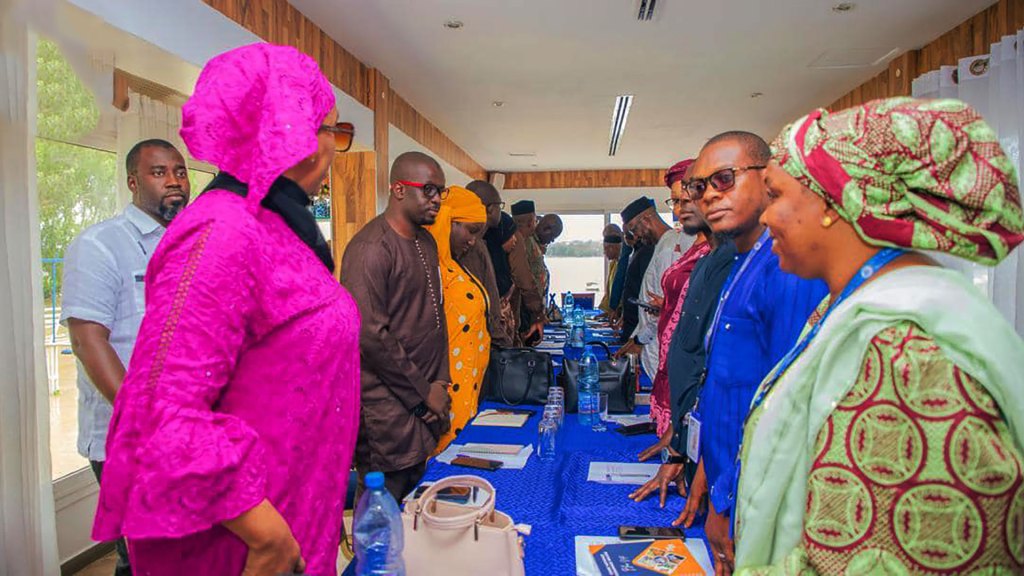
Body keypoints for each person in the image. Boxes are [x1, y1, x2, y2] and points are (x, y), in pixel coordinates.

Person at [92, 43, 360, 575]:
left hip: (298, 510)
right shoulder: (222, 231)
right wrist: (267, 539)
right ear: (297, 132)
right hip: (243, 541)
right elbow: (160, 412)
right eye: (336, 131)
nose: (336, 149)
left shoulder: (274, 224)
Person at [734, 98, 1024, 574]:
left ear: (834, 200)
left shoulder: (907, 354)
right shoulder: (854, 305)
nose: (765, 219)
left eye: (776, 196)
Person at [684, 131, 829, 574]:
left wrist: (726, 506)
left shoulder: (785, 267)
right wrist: (704, 477)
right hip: (725, 480)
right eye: (699, 186)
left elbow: (783, 410)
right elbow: (726, 385)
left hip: (757, 497)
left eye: (724, 179)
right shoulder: (742, 260)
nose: (709, 195)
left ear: (766, 179)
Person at [62, 138, 191, 576]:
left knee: (184, 551)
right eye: (159, 172)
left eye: (179, 171)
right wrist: (145, 418)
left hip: (185, 427)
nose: (173, 181)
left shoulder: (190, 244)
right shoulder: (99, 245)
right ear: (133, 182)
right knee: (140, 556)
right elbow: (87, 341)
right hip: (129, 435)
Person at [342, 151, 452, 502]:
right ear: (399, 190)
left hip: (425, 395)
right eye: (430, 190)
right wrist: (423, 395)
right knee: (383, 505)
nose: (437, 200)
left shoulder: (426, 241)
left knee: (418, 499)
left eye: (441, 192)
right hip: (386, 406)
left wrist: (440, 382)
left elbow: (436, 316)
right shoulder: (371, 248)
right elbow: (371, 337)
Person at [638, 159, 714, 447]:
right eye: (676, 201)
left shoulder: (719, 251)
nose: (681, 210)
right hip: (673, 364)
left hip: (694, 375)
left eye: (688, 200)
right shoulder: (692, 243)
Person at [426, 186, 491, 453]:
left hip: (468, 395)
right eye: (471, 230)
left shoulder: (454, 265)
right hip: (443, 398)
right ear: (447, 221)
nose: (473, 240)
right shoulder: (429, 270)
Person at [616, 197, 686, 404]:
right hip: (650, 338)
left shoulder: (668, 249)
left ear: (646, 219)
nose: (634, 236)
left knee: (666, 403)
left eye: (633, 229)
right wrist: (634, 337)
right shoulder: (662, 245)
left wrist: (640, 340)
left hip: (658, 343)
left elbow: (663, 305)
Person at [464, 180, 513, 347]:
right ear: (490, 209)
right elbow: (487, 303)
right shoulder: (473, 246)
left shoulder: (481, 242)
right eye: (500, 206)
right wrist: (504, 343)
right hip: (483, 341)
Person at [509, 200, 546, 344]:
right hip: (522, 307)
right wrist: (537, 313)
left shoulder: (529, 240)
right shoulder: (517, 241)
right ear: (531, 221)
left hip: (526, 305)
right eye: (535, 220)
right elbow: (524, 279)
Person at [485, 212, 522, 346]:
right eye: (511, 235)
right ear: (501, 236)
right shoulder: (488, 263)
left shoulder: (502, 261)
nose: (515, 240)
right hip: (496, 338)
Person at [618, 216, 656, 343]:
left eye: (630, 232)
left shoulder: (647, 252)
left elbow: (643, 289)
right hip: (631, 317)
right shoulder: (636, 252)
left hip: (640, 320)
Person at [598, 224, 623, 314]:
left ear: (614, 247)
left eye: (606, 249)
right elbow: (609, 295)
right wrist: (606, 312)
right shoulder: (613, 264)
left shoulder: (625, 265)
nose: (605, 252)